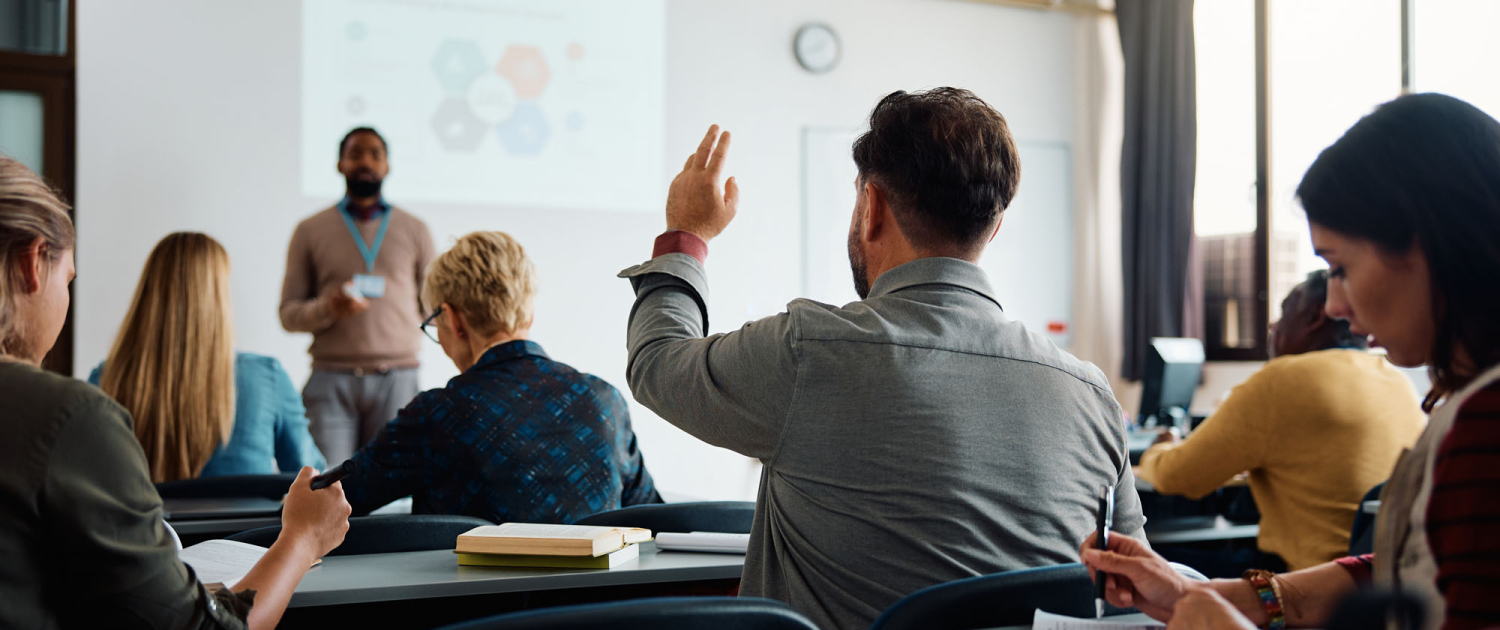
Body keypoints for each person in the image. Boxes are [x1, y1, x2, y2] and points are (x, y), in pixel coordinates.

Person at [618, 88, 1145, 630]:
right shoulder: (1091, 395)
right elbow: (1140, 584)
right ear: (994, 225)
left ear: (871, 207)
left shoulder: (811, 353)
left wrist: (687, 235)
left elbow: (658, 361)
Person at [1079, 93, 1500, 630]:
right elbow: (1406, 574)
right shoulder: (1446, 395)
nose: (1335, 306)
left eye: (1340, 267)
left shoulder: (1485, 423)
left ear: (1429, 243)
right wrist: (1207, 594)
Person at [0, 155, 350, 629]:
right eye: (69, 280)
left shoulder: (106, 377)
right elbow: (310, 477)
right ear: (31, 265)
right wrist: (304, 536)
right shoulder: (70, 416)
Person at [340, 231, 661, 522]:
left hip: (472, 589)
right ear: (529, 311)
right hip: (597, 589)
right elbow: (653, 516)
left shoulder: (436, 415)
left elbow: (331, 501)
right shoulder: (605, 401)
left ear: (451, 319)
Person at [1136, 269, 1426, 576]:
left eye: (1284, 312)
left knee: (1145, 551)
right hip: (1377, 576)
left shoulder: (1284, 379)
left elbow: (1178, 478)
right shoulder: (1397, 380)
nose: (1274, 325)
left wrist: (1159, 448)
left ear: (1316, 316)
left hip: (1303, 578)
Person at [89, 232, 327, 482]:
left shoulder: (106, 381)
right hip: (247, 523)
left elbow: (87, 478)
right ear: (218, 297)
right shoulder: (267, 378)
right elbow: (314, 477)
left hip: (147, 523)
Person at [279, 127, 437, 464]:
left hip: (398, 379)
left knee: (394, 498)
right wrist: (327, 308)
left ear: (388, 166)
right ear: (340, 164)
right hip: (331, 380)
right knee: (327, 488)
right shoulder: (310, 230)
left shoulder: (415, 229)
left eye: (375, 154)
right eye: (355, 153)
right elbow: (288, 314)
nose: (365, 161)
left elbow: (435, 308)